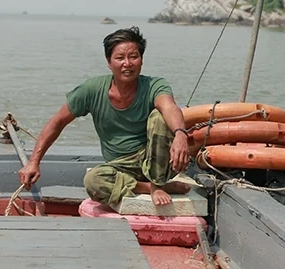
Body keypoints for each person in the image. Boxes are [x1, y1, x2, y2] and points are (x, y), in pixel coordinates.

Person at [17, 26, 191, 207]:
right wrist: (33, 162)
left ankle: (158, 183)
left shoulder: (155, 85)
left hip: (156, 160)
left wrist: (180, 134)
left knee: (159, 116)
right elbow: (57, 122)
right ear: (109, 62)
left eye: (133, 57)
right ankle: (148, 187)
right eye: (120, 58)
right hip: (120, 167)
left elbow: (169, 107)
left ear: (141, 60)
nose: (127, 63)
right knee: (93, 181)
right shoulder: (92, 89)